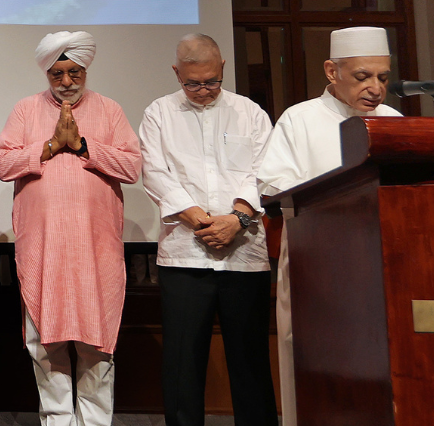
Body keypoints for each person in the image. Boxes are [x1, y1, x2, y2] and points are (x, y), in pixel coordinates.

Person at [0, 31, 142, 426]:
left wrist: (83, 146)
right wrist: (51, 146)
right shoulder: (25, 110)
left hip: (95, 250)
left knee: (97, 343)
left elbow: (132, 167)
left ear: (85, 70)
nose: (66, 81)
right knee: (45, 343)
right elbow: (4, 164)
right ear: (47, 74)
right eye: (57, 74)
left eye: (74, 72)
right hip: (43, 249)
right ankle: (57, 420)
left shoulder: (109, 110)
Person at [256, 26, 401, 426]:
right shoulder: (299, 119)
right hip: (317, 269)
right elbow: (272, 185)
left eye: (383, 78)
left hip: (380, 267)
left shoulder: (393, 122)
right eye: (362, 76)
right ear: (331, 71)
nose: (375, 88)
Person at [138, 34, 277, 426]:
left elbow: (266, 170)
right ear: (176, 73)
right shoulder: (159, 113)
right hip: (185, 255)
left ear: (223, 69)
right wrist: (202, 221)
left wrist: (237, 219)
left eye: (212, 82)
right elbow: (155, 173)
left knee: (250, 361)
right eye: (193, 84)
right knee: (182, 363)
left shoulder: (250, 113)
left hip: (244, 255)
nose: (203, 90)